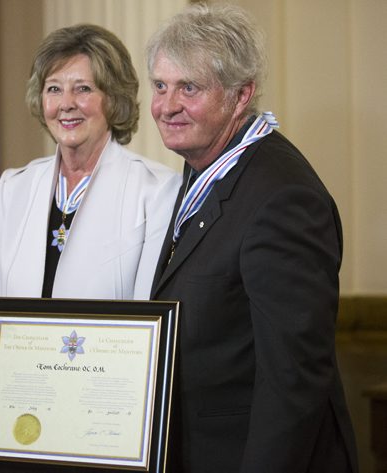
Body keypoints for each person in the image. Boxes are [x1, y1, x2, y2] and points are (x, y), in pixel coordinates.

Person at [146, 4, 358, 472]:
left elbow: (293, 380)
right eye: (160, 86)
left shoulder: (283, 198)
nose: (166, 106)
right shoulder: (206, 170)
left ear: (241, 96)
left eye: (189, 87)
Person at [0, 24, 181, 349]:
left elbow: (150, 326)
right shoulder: (13, 188)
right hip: (22, 390)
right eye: (54, 89)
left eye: (83, 89)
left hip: (104, 392)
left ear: (113, 99)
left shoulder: (156, 191)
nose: (66, 104)